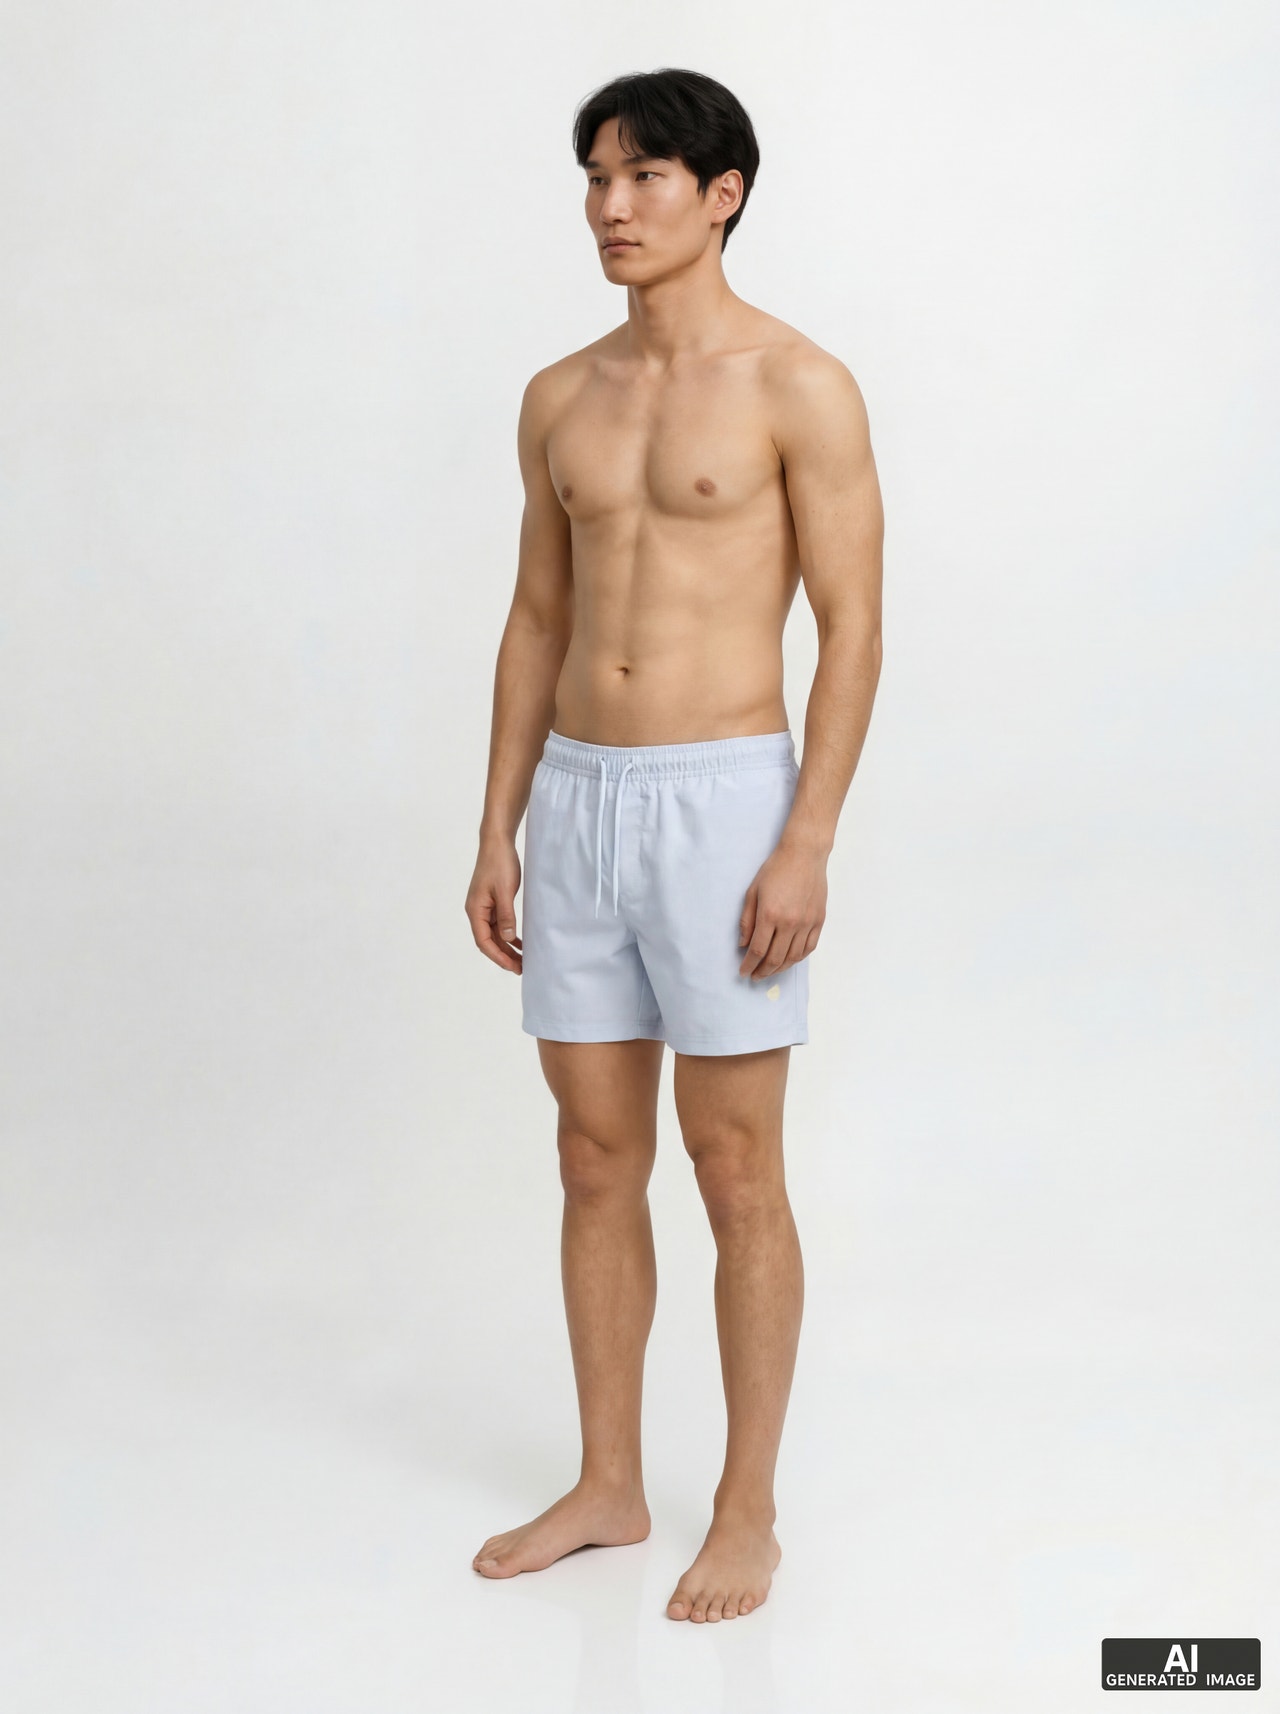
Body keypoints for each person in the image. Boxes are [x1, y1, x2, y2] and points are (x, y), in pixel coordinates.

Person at [464, 66, 883, 1624]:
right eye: (596, 177)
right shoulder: (559, 396)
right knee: (592, 1154)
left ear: (724, 194)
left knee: (734, 1161)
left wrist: (807, 836)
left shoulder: (800, 384)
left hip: (725, 799)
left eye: (644, 177)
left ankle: (748, 1509)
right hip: (578, 796)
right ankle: (608, 1481)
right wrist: (497, 823)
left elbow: (853, 625)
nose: (610, 207)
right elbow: (535, 618)